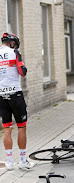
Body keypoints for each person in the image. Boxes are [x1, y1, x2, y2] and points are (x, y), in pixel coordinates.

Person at [0, 33, 33, 170]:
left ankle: (9, 162)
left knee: (7, 128)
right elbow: (22, 72)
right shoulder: (14, 52)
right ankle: (23, 161)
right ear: (12, 43)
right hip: (15, 95)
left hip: (1, 95)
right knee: (21, 126)